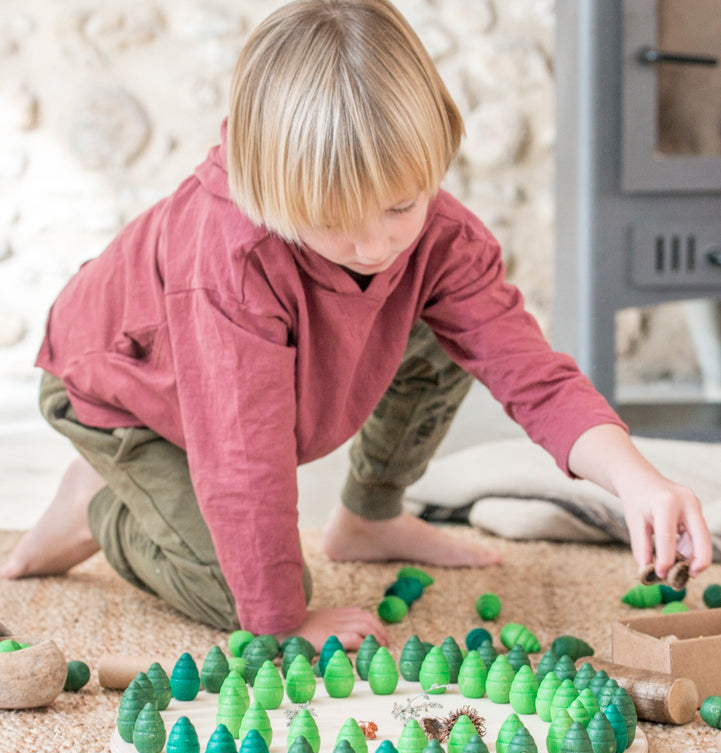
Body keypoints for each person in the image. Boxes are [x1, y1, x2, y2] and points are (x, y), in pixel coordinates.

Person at [0, 0, 711, 651]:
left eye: (400, 204)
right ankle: (100, 501)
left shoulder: (438, 237)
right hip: (122, 397)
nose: (375, 246)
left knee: (445, 332)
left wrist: (634, 478)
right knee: (248, 599)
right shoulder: (228, 259)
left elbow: (527, 369)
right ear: (268, 187)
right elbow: (244, 457)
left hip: (225, 400)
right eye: (334, 222)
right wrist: (282, 622)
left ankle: (368, 517)